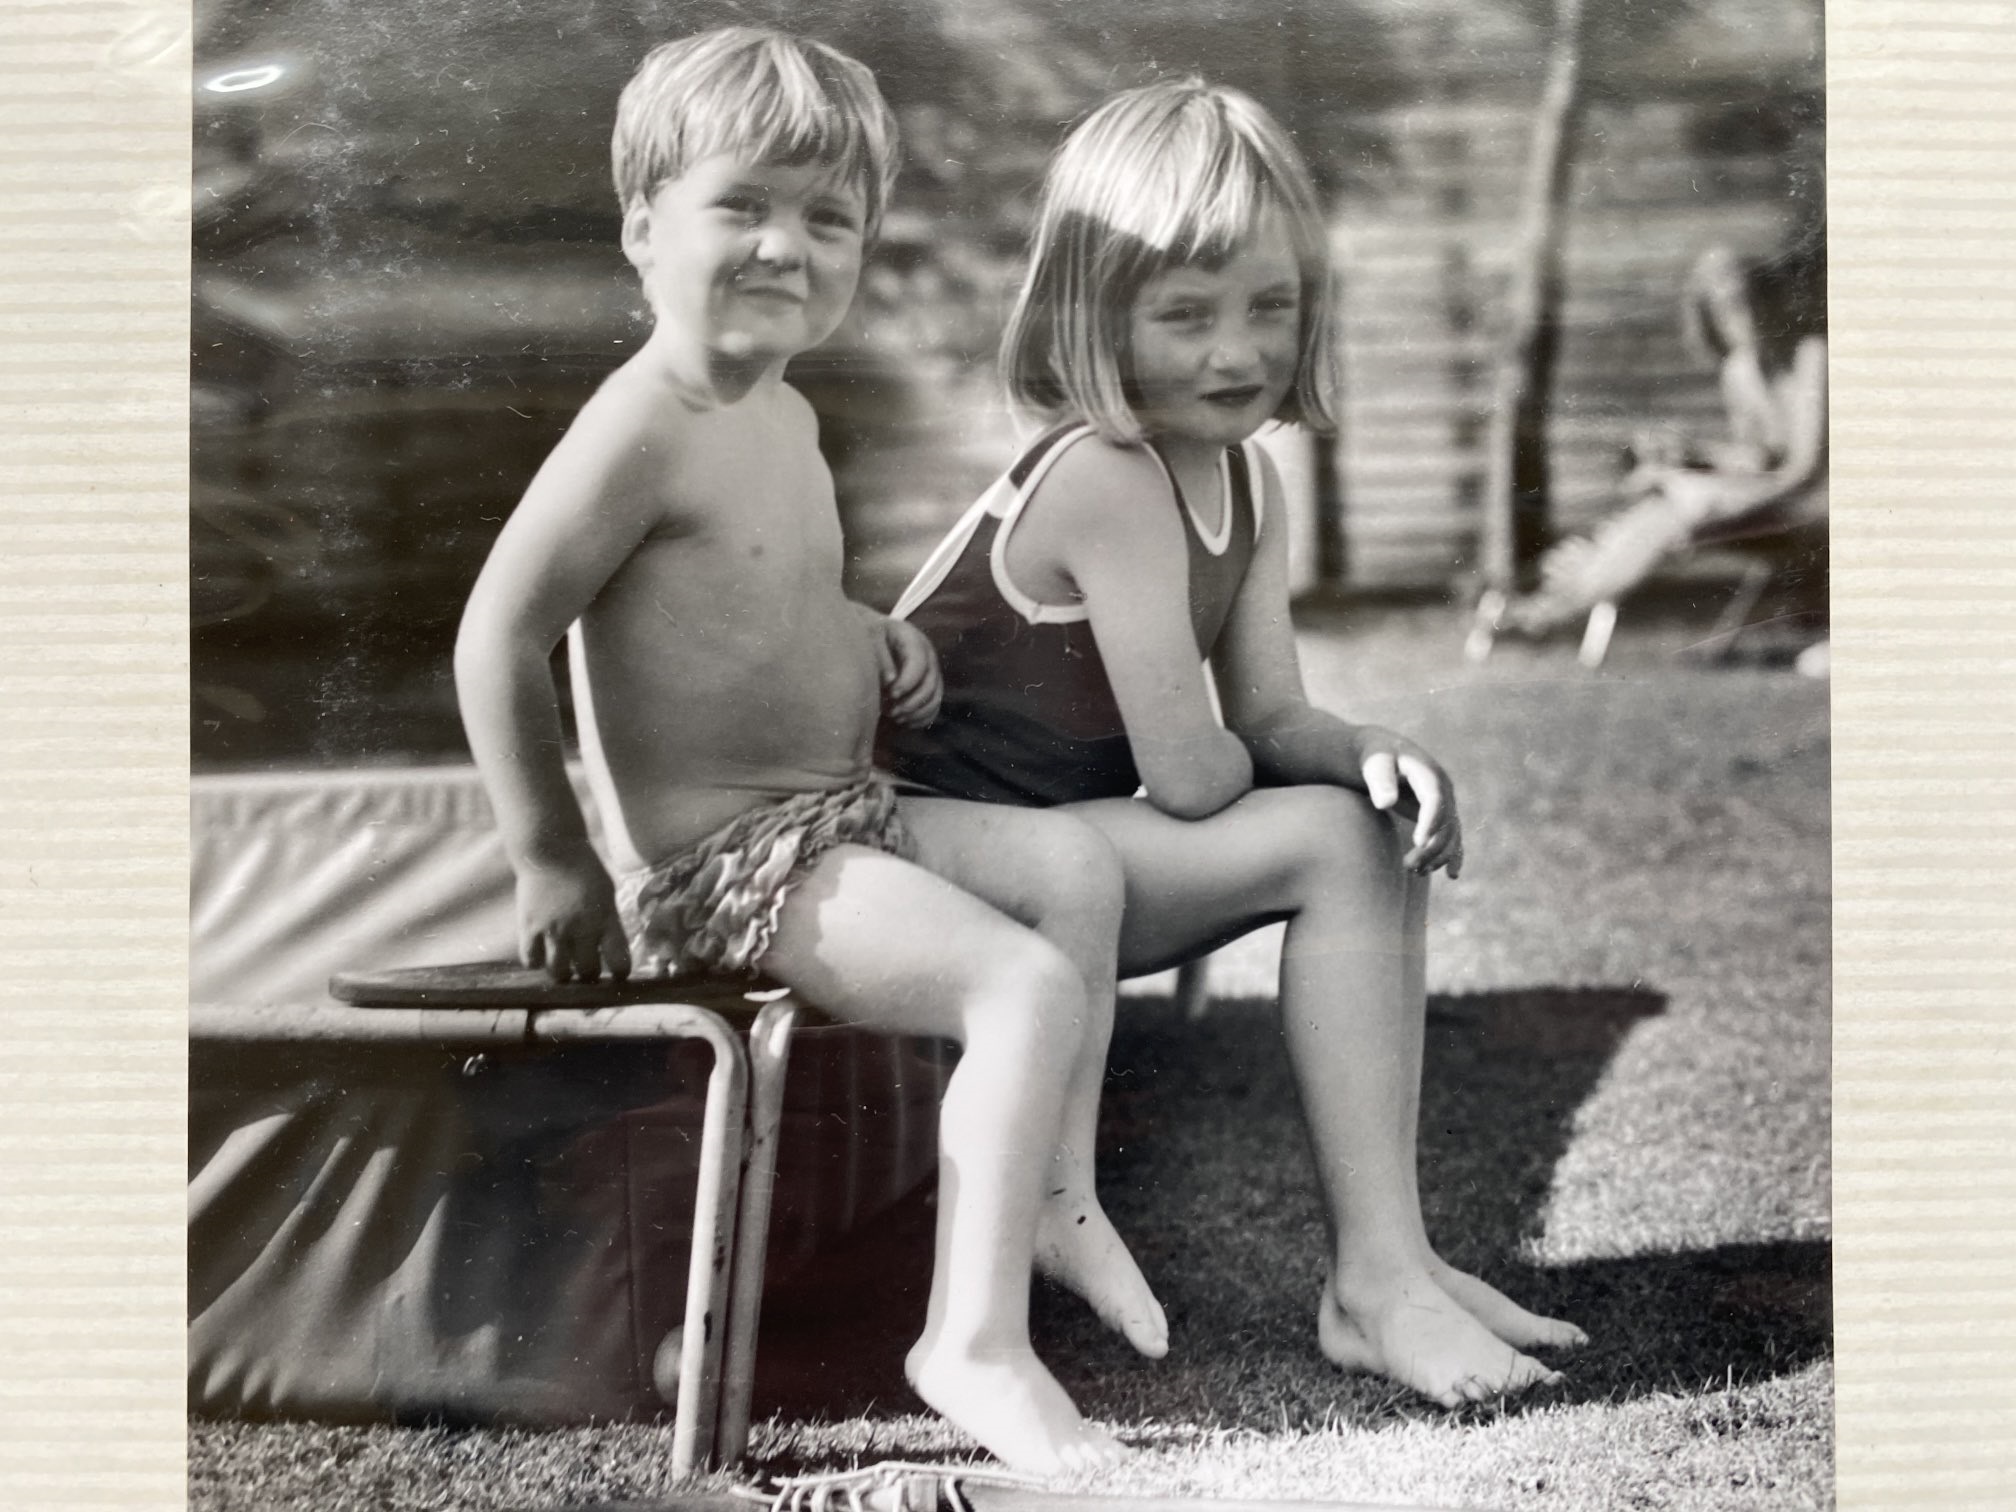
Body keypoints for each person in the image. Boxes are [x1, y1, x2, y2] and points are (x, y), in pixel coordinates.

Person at [454, 28, 1158, 1474]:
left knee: (1074, 870)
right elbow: (495, 637)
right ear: (645, 226)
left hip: (834, 815)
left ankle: (1053, 1201)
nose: (788, 245)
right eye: (745, 207)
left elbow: (736, 596)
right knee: (1018, 982)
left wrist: (862, 636)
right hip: (723, 864)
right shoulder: (638, 426)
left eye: (828, 219)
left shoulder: (783, 411)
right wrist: (553, 858)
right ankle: (969, 1343)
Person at [880, 79, 1581, 1408]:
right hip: (930, 861)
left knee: (1365, 820)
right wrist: (1315, 777)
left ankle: (1398, 1266)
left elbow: (1265, 716)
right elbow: (1195, 774)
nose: (1237, 350)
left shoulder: (1245, 479)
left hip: (1053, 859)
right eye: (1186, 313)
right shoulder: (1106, 475)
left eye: (1271, 305)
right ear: (1099, 317)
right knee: (1331, 834)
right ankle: (1377, 1284)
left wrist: (1366, 744)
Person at [1471, 242, 1829, 667]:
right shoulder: (1739, 370)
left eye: (1751, 299)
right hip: (1772, 502)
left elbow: (1804, 471)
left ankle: (1553, 611)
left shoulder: (1810, 357)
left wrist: (1711, 497)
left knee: (1680, 503)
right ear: (1709, 317)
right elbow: (1758, 459)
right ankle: (1555, 604)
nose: (1745, 316)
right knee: (1664, 501)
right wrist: (1691, 455)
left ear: (1772, 298)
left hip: (1816, 506)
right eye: (1728, 307)